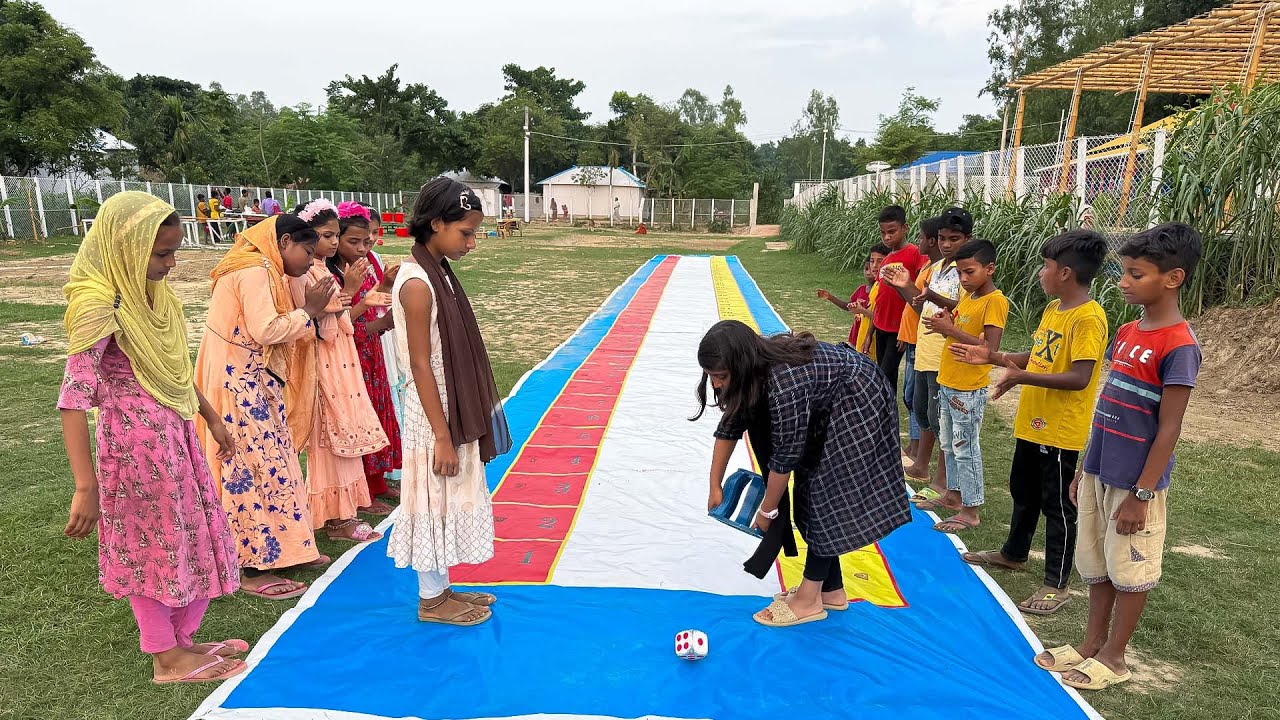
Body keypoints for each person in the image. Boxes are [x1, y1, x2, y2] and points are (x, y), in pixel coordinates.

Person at [60, 192, 245, 684]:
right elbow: (74, 397)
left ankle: (182, 641)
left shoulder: (152, 296)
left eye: (173, 250)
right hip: (133, 446)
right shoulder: (100, 304)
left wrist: (211, 417)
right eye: (161, 253)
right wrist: (86, 486)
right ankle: (164, 656)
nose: (171, 262)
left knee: (192, 531)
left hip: (176, 433)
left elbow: (177, 371)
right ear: (125, 247)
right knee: (150, 546)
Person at [1035, 223, 1203, 692]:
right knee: (1098, 561)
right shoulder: (1128, 330)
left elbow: (1169, 426)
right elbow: (1109, 403)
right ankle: (1091, 643)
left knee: (1131, 567)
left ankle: (1115, 656)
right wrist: (1086, 465)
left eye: (1134, 274)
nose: (1122, 282)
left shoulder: (1180, 345)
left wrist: (1142, 493)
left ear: (1173, 279)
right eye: (1122, 273)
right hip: (1100, 470)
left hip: (1135, 483)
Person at [696, 321, 911, 627]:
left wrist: (767, 510)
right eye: (711, 376)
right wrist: (714, 485)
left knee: (824, 491)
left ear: (741, 365)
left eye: (721, 377)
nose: (716, 385)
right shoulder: (752, 374)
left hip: (860, 396)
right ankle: (831, 591)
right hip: (833, 397)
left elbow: (785, 458)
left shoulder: (784, 384)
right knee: (814, 488)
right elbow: (731, 424)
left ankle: (809, 599)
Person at [953, 230, 1109, 616]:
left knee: (1057, 506)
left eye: (1046, 266)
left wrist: (1021, 377)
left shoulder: (1089, 317)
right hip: (1033, 423)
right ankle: (1013, 554)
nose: (1041, 273)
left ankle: (1056, 584)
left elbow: (1080, 377)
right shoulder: (1053, 310)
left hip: (1059, 430)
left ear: (1066, 273)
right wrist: (993, 357)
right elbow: (1038, 354)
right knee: (1022, 491)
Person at [388, 178, 512, 626]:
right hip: (434, 412)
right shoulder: (419, 282)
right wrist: (442, 435)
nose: (472, 243)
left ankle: (440, 589)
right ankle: (431, 600)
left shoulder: (436, 271)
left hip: (445, 407)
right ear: (436, 224)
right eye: (466, 232)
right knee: (430, 497)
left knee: (443, 496)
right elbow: (421, 364)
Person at [196, 213, 336, 599]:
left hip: (252, 378)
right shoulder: (254, 269)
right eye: (307, 251)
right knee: (247, 466)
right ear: (285, 241)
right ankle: (250, 565)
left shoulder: (266, 267)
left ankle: (289, 545)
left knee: (275, 460)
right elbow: (266, 329)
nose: (310, 260)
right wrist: (308, 311)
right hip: (235, 382)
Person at [298, 199, 389, 542]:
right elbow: (323, 325)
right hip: (326, 363)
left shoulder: (319, 269)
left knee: (344, 433)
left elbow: (338, 321)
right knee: (329, 438)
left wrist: (359, 297)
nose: (334, 242)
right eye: (327, 235)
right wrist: (351, 292)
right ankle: (335, 519)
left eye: (336, 235)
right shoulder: (308, 272)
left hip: (340, 360)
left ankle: (346, 512)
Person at [919, 239, 1008, 533]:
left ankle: (971, 510)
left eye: (970, 272)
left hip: (968, 390)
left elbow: (990, 350)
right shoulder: (968, 298)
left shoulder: (995, 301)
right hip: (949, 382)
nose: (964, 279)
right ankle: (954, 496)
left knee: (965, 447)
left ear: (990, 268)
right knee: (949, 444)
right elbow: (959, 327)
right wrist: (947, 321)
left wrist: (951, 330)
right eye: (960, 273)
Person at [329, 203, 402, 512]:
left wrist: (384, 285)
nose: (362, 248)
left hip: (370, 351)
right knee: (359, 421)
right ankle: (364, 492)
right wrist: (382, 323)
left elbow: (370, 302)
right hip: (349, 355)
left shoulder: (364, 262)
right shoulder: (332, 273)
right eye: (353, 241)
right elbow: (341, 324)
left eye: (368, 241)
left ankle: (378, 481)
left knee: (377, 413)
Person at [897, 207, 971, 493]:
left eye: (954, 238)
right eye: (942, 238)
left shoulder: (966, 272)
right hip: (925, 352)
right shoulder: (936, 269)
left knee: (944, 420)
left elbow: (967, 310)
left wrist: (934, 297)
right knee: (923, 411)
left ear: (968, 238)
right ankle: (921, 465)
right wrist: (904, 285)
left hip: (946, 356)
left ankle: (943, 482)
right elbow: (920, 304)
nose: (946, 244)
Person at [363, 205, 406, 485]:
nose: (368, 242)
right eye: (360, 237)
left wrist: (388, 284)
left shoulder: (375, 258)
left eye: (373, 234)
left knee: (385, 400)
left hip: (381, 337)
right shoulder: (342, 265)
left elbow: (378, 295)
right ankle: (368, 481)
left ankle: (382, 475)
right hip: (363, 337)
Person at [897, 216, 944, 461]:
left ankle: (921, 457)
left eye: (920, 237)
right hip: (917, 342)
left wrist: (905, 286)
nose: (918, 241)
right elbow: (918, 304)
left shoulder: (943, 272)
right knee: (915, 400)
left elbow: (923, 305)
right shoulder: (930, 269)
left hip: (928, 347)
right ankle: (919, 456)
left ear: (931, 241)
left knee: (931, 410)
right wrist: (901, 284)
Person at [870, 205, 928, 398]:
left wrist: (905, 330)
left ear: (905, 228)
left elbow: (919, 291)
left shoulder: (915, 254)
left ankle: (888, 416)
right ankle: (884, 412)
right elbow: (880, 298)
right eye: (883, 233)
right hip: (881, 325)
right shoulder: (886, 259)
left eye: (892, 232)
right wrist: (871, 330)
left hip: (898, 329)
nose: (886, 237)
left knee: (887, 375)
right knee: (881, 373)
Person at [815, 243, 884, 346]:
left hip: (873, 337)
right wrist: (830, 297)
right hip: (856, 336)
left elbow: (879, 317)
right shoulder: (861, 290)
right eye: (866, 269)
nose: (870, 271)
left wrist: (862, 310)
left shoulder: (880, 290)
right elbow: (848, 306)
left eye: (878, 262)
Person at [855, 244, 891, 360]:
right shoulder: (876, 284)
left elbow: (880, 315)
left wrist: (862, 310)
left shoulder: (885, 286)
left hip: (878, 338)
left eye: (880, 261)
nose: (874, 266)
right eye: (872, 261)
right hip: (867, 335)